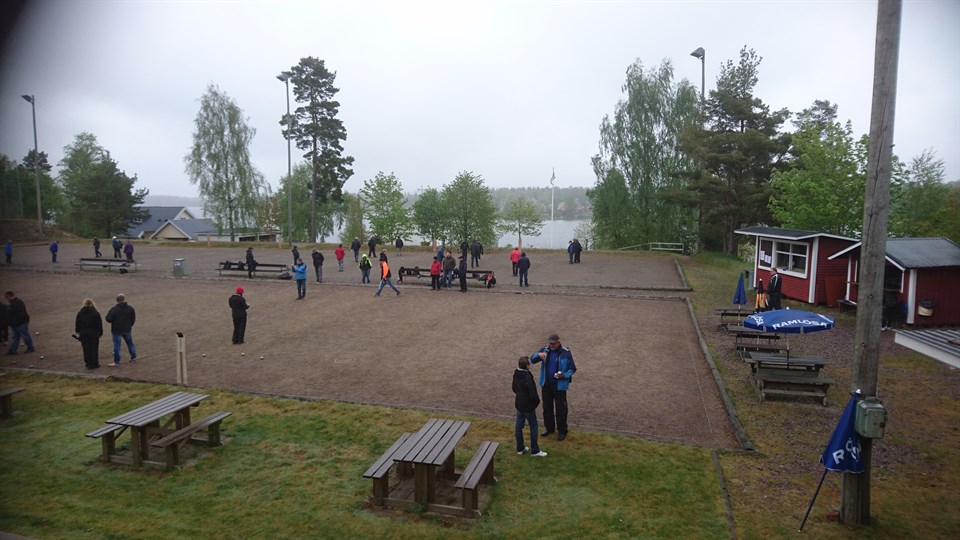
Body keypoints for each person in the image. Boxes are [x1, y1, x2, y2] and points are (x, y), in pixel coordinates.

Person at [530, 333, 577, 441]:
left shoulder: (566, 352)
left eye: (553, 343)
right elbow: (532, 360)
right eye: (550, 343)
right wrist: (538, 355)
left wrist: (564, 375)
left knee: (561, 409)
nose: (551, 345)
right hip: (546, 385)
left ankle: (562, 430)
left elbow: (572, 368)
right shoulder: (545, 350)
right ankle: (549, 428)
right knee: (547, 408)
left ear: (558, 342)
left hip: (559, 386)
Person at [514, 356, 547, 457]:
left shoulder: (516, 374)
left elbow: (514, 388)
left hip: (519, 404)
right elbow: (532, 393)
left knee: (518, 426)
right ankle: (535, 450)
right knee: (533, 426)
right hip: (528, 406)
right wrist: (536, 402)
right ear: (527, 365)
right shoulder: (527, 376)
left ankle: (520, 448)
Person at [105, 293, 136, 366]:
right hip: (127, 329)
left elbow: (108, 319)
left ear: (117, 300)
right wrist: (129, 325)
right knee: (130, 343)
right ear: (124, 299)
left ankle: (117, 361)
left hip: (117, 330)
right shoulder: (130, 308)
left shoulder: (114, 309)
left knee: (117, 346)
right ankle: (133, 357)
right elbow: (133, 318)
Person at [75, 298, 103, 369]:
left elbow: (77, 324)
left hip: (84, 333)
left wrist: (78, 333)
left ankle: (88, 364)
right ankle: (95, 363)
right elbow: (99, 324)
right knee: (94, 348)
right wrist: (100, 333)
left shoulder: (80, 313)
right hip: (94, 333)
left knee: (86, 349)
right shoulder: (95, 313)